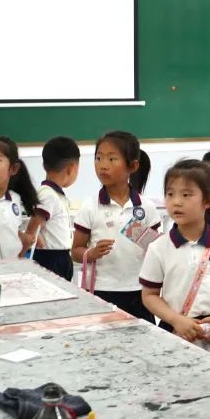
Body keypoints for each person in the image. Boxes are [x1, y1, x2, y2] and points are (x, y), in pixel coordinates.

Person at [140, 160, 210, 352]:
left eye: (186, 194)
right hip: (177, 329)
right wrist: (176, 320)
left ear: (207, 201)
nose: (176, 201)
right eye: (170, 194)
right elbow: (149, 295)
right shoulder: (158, 247)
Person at [71, 131, 160, 320]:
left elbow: (156, 251)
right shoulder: (90, 206)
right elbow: (76, 250)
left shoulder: (146, 207)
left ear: (133, 166)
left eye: (112, 159)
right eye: (98, 158)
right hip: (101, 289)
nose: (103, 165)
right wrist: (90, 253)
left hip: (139, 290)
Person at [24, 137, 81, 280]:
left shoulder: (55, 195)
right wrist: (32, 239)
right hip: (51, 260)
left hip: (60, 257)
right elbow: (33, 229)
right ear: (71, 168)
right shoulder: (47, 194)